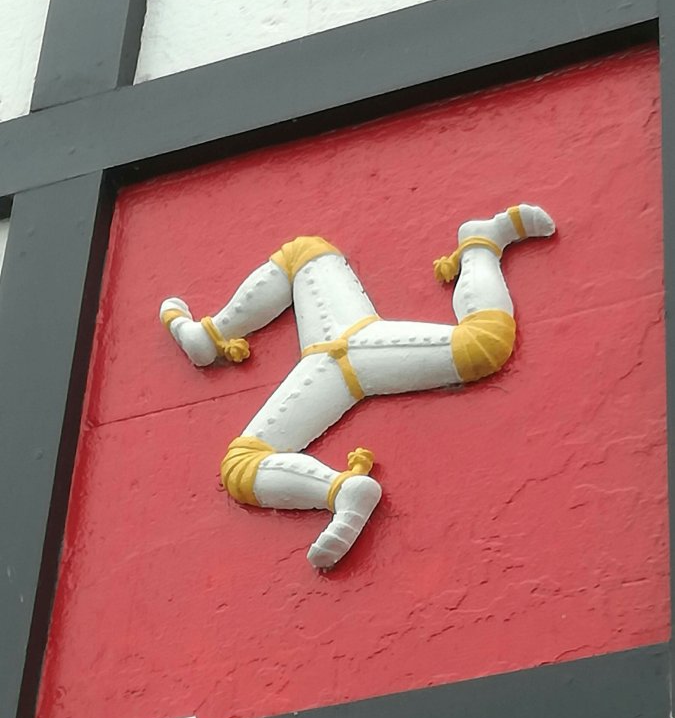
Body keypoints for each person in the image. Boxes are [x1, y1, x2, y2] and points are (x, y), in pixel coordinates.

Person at [160, 204, 555, 569]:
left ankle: (479, 242)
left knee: (483, 345)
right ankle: (341, 490)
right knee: (238, 467)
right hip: (334, 359)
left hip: (346, 352)